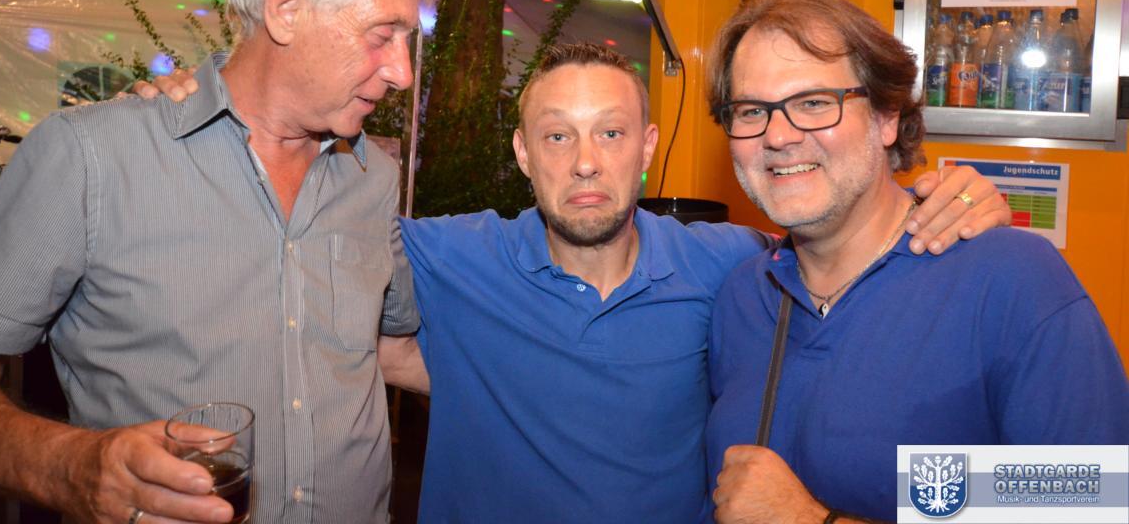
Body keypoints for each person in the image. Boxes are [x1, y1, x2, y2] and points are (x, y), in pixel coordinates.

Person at [142, 40, 1007, 522]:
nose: (586, 161)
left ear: (648, 147)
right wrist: (211, 111)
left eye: (611, 133)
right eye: (557, 136)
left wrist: (945, 201)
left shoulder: (745, 273)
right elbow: (285, 244)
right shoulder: (448, 258)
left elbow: (1069, 493)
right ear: (523, 154)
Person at [0, 0, 451, 524]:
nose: (403, 72)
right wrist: (74, 468)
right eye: (381, 34)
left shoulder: (373, 178)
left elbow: (388, 352)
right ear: (286, 7)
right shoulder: (91, 156)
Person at [703, 0, 1129, 524]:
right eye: (750, 111)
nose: (779, 136)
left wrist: (810, 519)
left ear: (886, 116)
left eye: (814, 103)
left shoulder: (1010, 281)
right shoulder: (742, 297)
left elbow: (1087, 499)